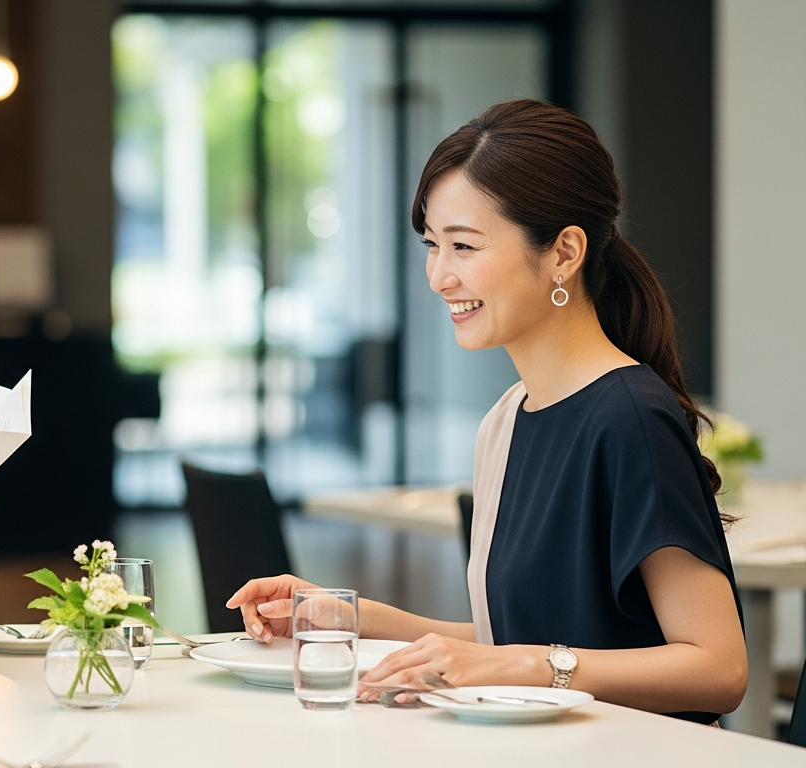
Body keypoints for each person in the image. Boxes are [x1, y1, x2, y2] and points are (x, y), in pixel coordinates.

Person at [227, 99, 746, 723]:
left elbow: (719, 669)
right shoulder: (507, 418)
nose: (440, 276)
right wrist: (346, 617)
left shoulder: (628, 418)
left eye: (465, 246)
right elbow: (512, 641)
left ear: (564, 252)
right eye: (432, 245)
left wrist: (530, 668)